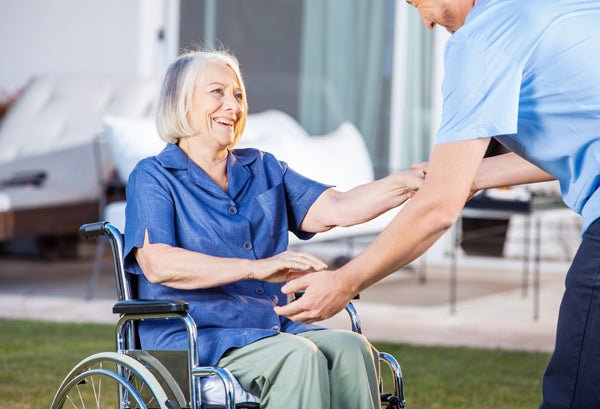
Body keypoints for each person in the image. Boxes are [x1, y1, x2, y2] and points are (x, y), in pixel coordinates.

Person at [276, 1, 600, 408]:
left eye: (419, 3)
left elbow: (437, 210)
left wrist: (344, 283)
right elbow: (578, 130)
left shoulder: (481, 40)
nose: (427, 22)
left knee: (575, 396)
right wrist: (470, 176)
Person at [123, 49, 423, 409]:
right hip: (198, 340)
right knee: (298, 357)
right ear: (181, 102)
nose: (232, 106)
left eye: (237, 95)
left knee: (352, 348)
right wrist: (255, 267)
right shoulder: (153, 177)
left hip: (272, 327)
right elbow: (159, 263)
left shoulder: (263, 168)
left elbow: (339, 207)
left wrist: (407, 184)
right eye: (216, 92)